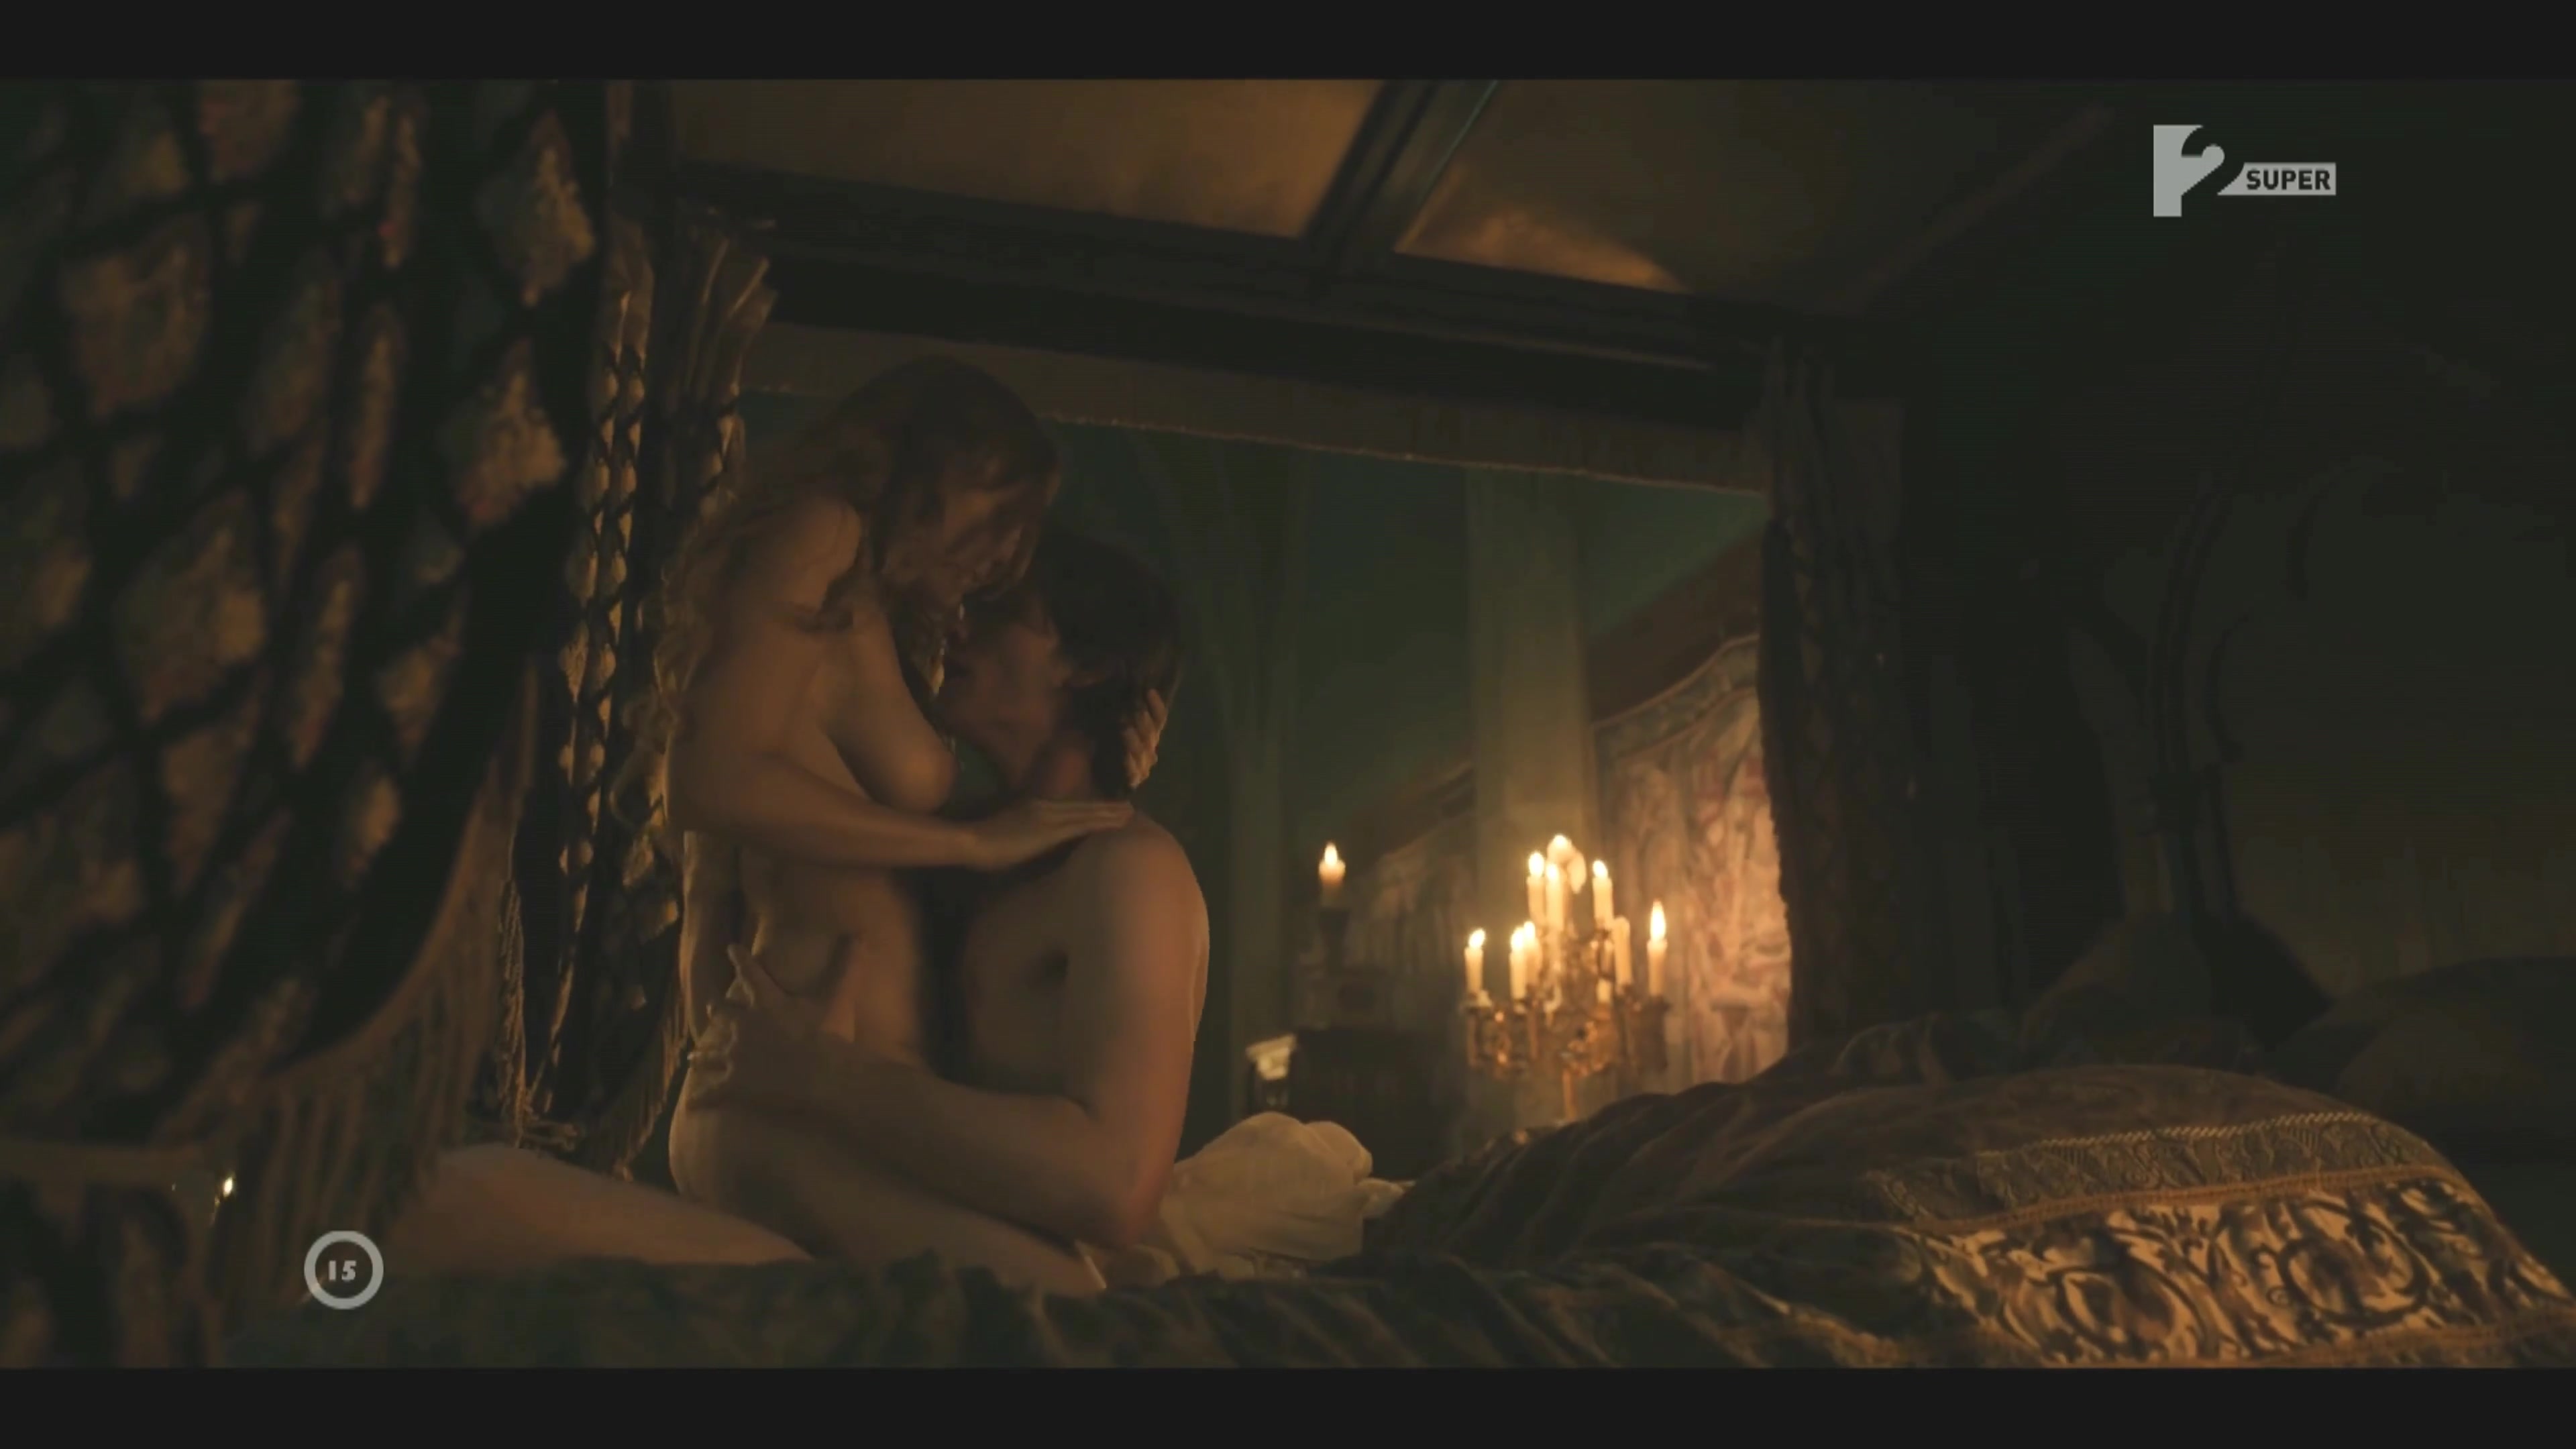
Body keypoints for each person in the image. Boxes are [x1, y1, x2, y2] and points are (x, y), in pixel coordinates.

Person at [690, 529, 1401, 1292]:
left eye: (1001, 612)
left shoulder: (1130, 871)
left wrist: (828, 1079)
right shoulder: (968, 855)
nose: (961, 624)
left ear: (1085, 665)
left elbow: (1115, 1186)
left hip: (1021, 1240)